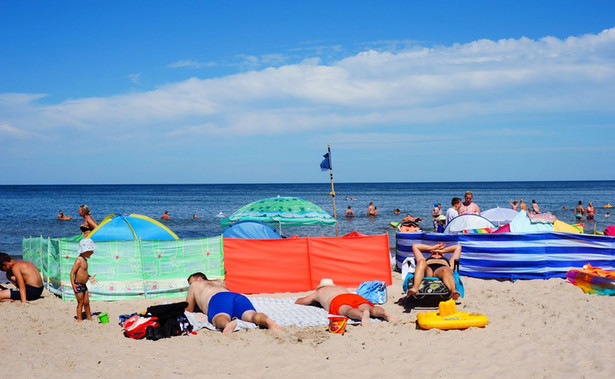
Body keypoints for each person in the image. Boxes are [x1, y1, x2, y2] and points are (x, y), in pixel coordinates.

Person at [185, 272, 282, 333]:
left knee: (220, 316)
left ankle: (227, 324)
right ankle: (267, 321)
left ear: (199, 278)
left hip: (217, 299)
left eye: (190, 282)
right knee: (251, 315)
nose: (190, 284)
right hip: (236, 296)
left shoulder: (195, 285)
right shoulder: (219, 282)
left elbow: (188, 308)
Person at [295, 279, 399, 326]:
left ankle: (361, 315)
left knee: (347, 310)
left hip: (337, 300)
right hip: (352, 296)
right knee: (369, 307)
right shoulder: (340, 287)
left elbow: (302, 301)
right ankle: (384, 313)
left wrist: (313, 300)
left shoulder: (319, 292)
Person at [71, 239, 97, 321]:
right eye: (91, 251)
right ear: (85, 251)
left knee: (86, 302)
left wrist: (89, 277)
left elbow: (84, 272)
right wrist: (73, 285)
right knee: (80, 303)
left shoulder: (85, 260)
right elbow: (72, 273)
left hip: (84, 285)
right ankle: (79, 319)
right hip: (78, 284)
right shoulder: (79, 260)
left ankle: (89, 316)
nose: (92, 252)